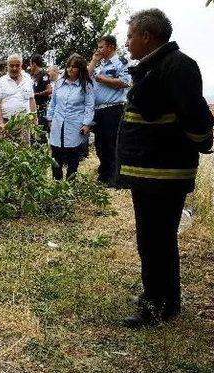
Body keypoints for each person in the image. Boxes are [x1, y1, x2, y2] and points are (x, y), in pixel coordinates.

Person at [117, 9, 214, 328]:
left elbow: (194, 116)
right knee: (152, 238)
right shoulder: (155, 66)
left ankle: (158, 304)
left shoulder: (178, 66)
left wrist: (201, 140)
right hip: (150, 171)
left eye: (130, 35)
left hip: (164, 173)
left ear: (148, 36)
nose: (127, 41)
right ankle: (160, 296)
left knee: (156, 239)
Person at [87, 35, 131, 186]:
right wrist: (93, 60)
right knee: (100, 143)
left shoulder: (121, 62)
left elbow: (126, 82)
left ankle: (115, 178)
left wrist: (103, 80)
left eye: (101, 47)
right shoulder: (100, 65)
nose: (98, 50)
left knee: (112, 143)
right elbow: (86, 76)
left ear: (111, 47)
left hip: (113, 109)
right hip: (98, 110)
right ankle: (104, 173)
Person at [46, 54, 95, 180]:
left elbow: (89, 106)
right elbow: (53, 102)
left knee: (73, 155)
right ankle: (57, 181)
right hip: (58, 122)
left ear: (80, 69)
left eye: (74, 67)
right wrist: (50, 119)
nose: (70, 69)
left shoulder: (86, 85)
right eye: (68, 66)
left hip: (75, 124)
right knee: (56, 154)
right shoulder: (59, 83)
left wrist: (86, 124)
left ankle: (70, 183)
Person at [0, 54, 37, 144]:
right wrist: (1, 123)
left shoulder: (27, 80)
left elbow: (31, 99)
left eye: (17, 65)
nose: (14, 68)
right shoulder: (0, 82)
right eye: (11, 65)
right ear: (7, 66)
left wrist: (35, 118)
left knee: (24, 152)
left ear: (21, 66)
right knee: (7, 153)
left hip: (24, 124)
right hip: (6, 124)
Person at [29, 54, 52, 143]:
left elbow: (49, 90)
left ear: (34, 64)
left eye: (30, 64)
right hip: (33, 109)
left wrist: (36, 94)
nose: (30, 67)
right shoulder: (33, 76)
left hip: (42, 109)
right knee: (32, 133)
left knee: (40, 133)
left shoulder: (44, 74)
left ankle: (43, 151)